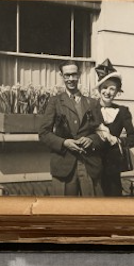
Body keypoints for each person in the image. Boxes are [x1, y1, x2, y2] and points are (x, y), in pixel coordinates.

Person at [37, 62, 102, 196]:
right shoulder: (54, 102)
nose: (71, 79)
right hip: (64, 165)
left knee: (91, 209)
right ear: (62, 76)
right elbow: (43, 133)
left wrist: (91, 139)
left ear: (79, 75)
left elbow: (101, 133)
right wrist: (64, 143)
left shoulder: (92, 103)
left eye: (74, 74)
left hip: (88, 164)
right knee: (64, 208)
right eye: (67, 75)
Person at [88, 60, 134, 196]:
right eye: (104, 87)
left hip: (113, 169)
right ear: (99, 89)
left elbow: (133, 139)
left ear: (117, 92)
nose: (108, 92)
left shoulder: (123, 111)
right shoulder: (90, 109)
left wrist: (117, 140)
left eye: (112, 89)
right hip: (92, 165)